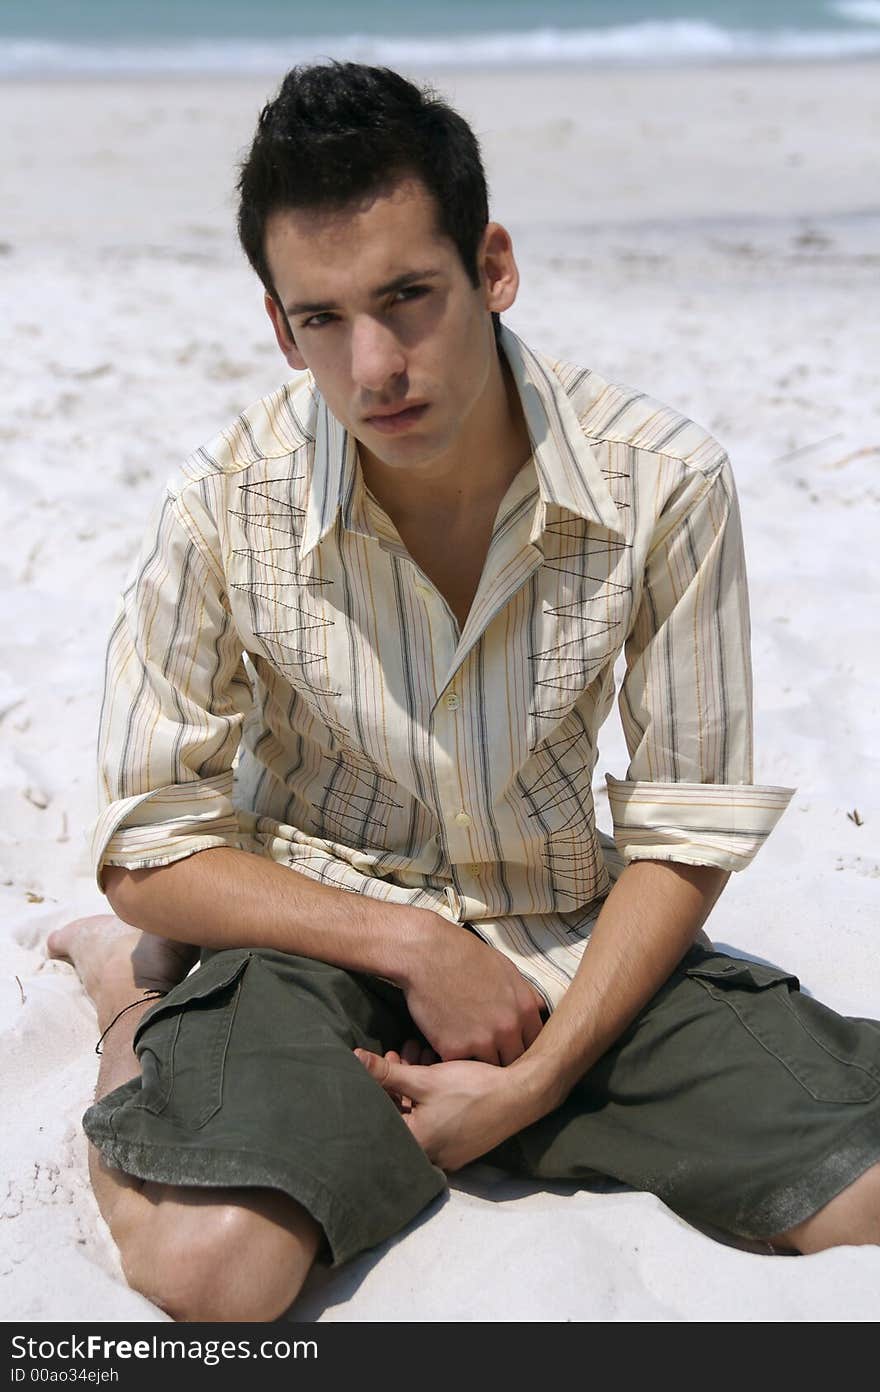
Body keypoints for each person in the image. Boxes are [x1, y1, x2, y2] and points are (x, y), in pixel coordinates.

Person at [49, 61, 880, 1323]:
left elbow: (682, 829)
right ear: (280, 328)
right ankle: (132, 994)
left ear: (491, 267)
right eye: (321, 319)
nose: (374, 363)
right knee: (219, 1270)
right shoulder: (225, 500)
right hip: (311, 926)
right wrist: (408, 943)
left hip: (556, 924)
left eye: (407, 297)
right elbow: (147, 841)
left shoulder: (664, 484)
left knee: (862, 1195)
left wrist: (538, 1077)